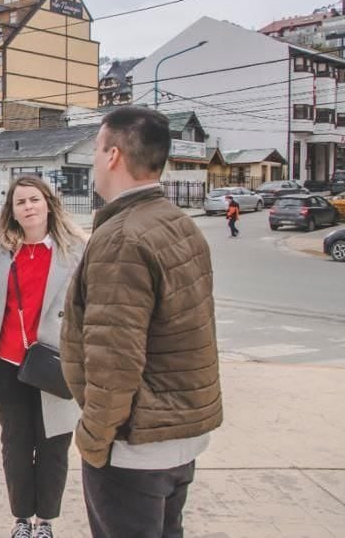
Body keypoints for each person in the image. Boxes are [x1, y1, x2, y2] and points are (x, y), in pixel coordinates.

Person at [60, 107, 223, 538]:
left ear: (113, 155)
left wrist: (94, 438)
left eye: (96, 149)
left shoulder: (123, 238)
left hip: (134, 447)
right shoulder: (179, 224)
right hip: (178, 437)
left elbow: (115, 361)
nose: (94, 160)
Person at [0, 175, 86, 538]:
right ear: (11, 210)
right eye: (20, 202)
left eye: (34, 200)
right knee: (16, 446)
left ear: (48, 203)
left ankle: (46, 522)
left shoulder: (74, 250)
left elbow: (85, 305)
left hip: (54, 366)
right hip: (9, 365)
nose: (27, 207)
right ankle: (22, 519)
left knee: (54, 445)